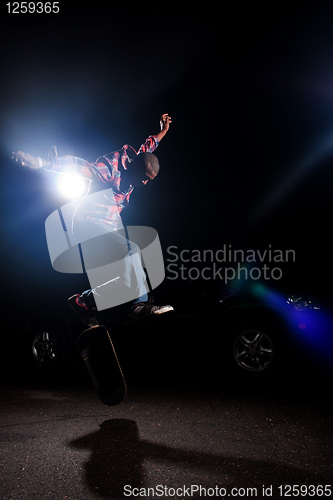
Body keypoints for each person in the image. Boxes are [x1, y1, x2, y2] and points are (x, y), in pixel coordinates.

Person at [13, 113, 174, 324]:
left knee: (130, 279)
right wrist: (43, 162)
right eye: (144, 178)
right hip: (88, 222)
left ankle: (84, 301)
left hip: (110, 224)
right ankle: (138, 306)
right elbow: (82, 167)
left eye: (148, 180)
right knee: (132, 251)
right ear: (135, 168)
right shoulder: (111, 169)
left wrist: (163, 130)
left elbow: (149, 145)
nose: (143, 183)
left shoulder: (140, 159)